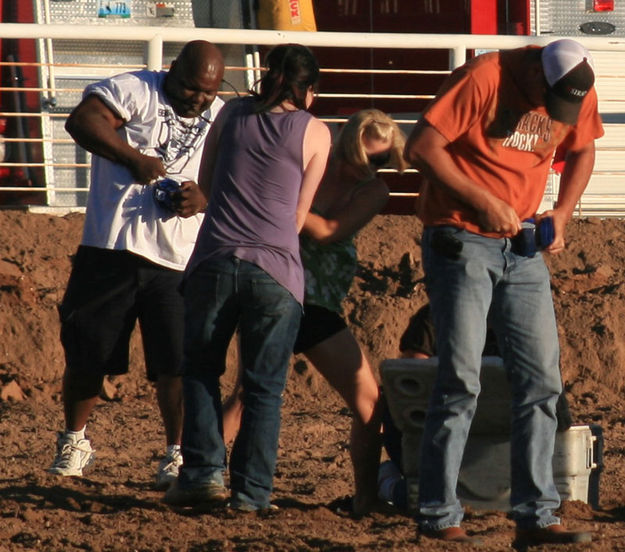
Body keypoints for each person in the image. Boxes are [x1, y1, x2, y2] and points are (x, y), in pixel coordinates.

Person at [403, 38, 603, 546]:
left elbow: (582, 149)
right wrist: (481, 201)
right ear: (536, 70)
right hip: (461, 235)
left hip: (524, 247)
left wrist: (562, 211)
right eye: (548, 98)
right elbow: (421, 147)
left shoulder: (577, 85)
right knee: (461, 379)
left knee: (541, 381)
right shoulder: (486, 77)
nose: (553, 113)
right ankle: (438, 513)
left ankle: (536, 513)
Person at [47, 41, 225, 491]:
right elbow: (82, 120)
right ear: (173, 70)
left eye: (207, 91)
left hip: (180, 258)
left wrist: (203, 196)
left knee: (177, 363)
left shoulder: (223, 115)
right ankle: (75, 440)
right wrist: (133, 159)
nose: (197, 98)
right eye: (188, 87)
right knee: (89, 353)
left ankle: (176, 453)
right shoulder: (136, 89)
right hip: (111, 247)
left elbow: (239, 172)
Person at [162, 44, 331, 512]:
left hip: (214, 259)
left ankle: (201, 476)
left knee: (200, 371)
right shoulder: (316, 132)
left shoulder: (231, 112)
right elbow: (297, 217)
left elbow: (208, 185)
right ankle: (252, 494)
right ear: (309, 91)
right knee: (263, 389)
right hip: (275, 271)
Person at [220, 109, 408, 516]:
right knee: (255, 394)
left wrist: (280, 206)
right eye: (368, 157)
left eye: (380, 160)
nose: (371, 168)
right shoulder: (314, 168)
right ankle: (365, 498)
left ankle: (204, 473)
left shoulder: (372, 190)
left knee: (252, 394)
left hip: (313, 297)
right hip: (289, 290)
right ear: (347, 144)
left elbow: (331, 231)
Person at [378, 303, 571, 510]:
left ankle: (391, 484)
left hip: (489, 445)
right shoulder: (437, 315)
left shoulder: (527, 322)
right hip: (452, 441)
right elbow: (412, 382)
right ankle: (392, 483)